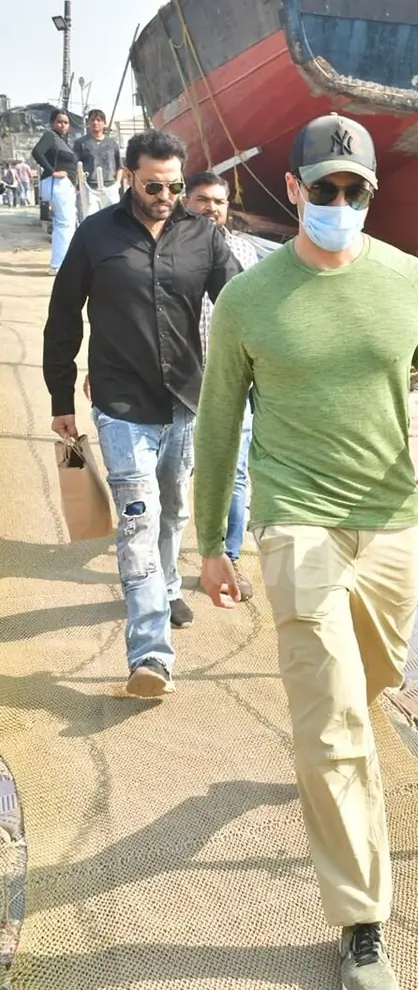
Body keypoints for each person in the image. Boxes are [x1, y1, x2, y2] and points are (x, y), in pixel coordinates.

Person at [193, 113, 418, 989]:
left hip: (393, 520)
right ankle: (363, 922)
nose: (343, 203)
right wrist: (212, 540)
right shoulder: (249, 299)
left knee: (376, 676)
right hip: (296, 519)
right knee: (331, 716)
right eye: (326, 189)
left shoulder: (413, 283)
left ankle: (338, 757)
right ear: (294, 191)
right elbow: (216, 430)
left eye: (357, 191)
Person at [43, 130, 242, 698]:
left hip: (185, 402)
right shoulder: (94, 236)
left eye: (176, 186)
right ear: (129, 176)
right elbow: (62, 321)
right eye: (154, 185)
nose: (166, 196)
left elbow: (239, 306)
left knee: (173, 512)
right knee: (137, 520)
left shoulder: (203, 236)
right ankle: (150, 655)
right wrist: (61, 399)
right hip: (120, 404)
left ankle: (167, 585)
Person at [183, 170, 260, 599]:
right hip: (181, 384)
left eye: (218, 201)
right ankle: (161, 561)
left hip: (233, 383)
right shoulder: (170, 250)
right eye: (201, 199)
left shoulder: (245, 251)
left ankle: (229, 557)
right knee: (178, 473)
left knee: (236, 471)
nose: (210, 207)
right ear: (185, 201)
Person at [31, 108, 78, 270]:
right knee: (64, 224)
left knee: (65, 224)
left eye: (66, 122)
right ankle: (59, 264)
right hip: (57, 183)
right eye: (59, 122)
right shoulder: (51, 136)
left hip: (64, 185)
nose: (63, 125)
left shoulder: (62, 141)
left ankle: (60, 262)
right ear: (52, 123)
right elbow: (37, 152)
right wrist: (52, 171)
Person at [74, 109, 123, 214]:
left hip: (110, 187)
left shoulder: (112, 144)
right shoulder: (81, 143)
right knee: (91, 218)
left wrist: (118, 183)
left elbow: (120, 166)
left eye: (98, 120)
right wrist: (78, 186)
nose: (95, 123)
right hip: (89, 188)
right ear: (88, 123)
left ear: (104, 123)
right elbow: (76, 166)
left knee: (113, 218)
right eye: (92, 120)